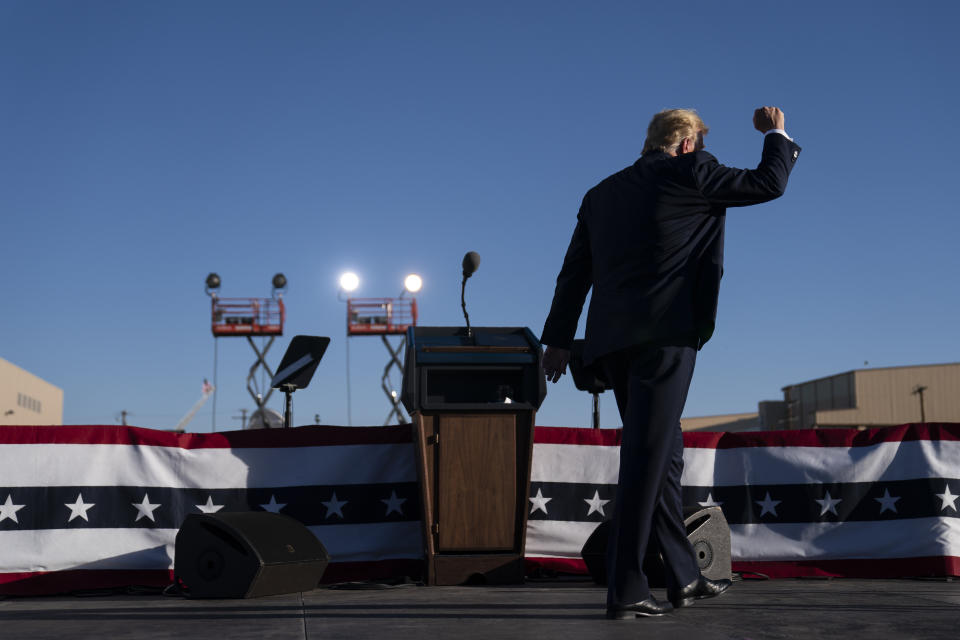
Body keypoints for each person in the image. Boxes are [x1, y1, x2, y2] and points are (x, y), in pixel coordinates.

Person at [540, 107, 801, 619]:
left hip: (610, 343)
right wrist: (776, 132)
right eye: (700, 144)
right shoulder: (694, 171)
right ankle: (626, 587)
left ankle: (684, 576)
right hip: (664, 339)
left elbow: (574, 273)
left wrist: (559, 340)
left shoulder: (601, 194)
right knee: (645, 457)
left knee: (664, 453)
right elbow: (770, 182)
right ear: (687, 144)